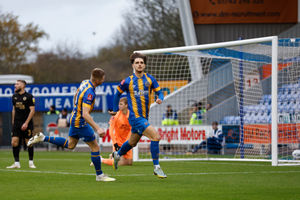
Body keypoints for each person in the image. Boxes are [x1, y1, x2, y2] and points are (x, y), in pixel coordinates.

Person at [28, 68, 115, 182]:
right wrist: (98, 128)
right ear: (98, 79)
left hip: (74, 118)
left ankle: (43, 137)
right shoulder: (90, 93)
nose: (104, 80)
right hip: (80, 122)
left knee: (70, 145)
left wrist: (76, 106)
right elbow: (85, 114)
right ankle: (99, 175)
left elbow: (75, 96)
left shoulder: (85, 82)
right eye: (103, 78)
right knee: (95, 147)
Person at [109, 52, 167, 178]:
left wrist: (160, 98)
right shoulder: (127, 81)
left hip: (144, 117)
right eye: (137, 63)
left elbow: (160, 92)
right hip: (135, 117)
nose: (139, 65)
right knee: (155, 137)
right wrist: (115, 109)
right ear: (133, 65)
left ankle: (117, 155)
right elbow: (117, 94)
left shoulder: (150, 79)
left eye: (141, 63)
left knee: (132, 142)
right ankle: (157, 167)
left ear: (144, 65)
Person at [91, 97, 133, 167]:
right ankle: (100, 160)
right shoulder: (116, 116)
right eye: (119, 104)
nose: (119, 106)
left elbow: (131, 130)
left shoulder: (131, 115)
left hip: (126, 142)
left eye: (121, 104)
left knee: (129, 163)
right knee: (121, 163)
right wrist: (115, 143)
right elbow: (111, 130)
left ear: (126, 105)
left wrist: (127, 143)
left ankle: (112, 155)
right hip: (118, 142)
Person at [7, 80, 36, 169]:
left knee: (29, 143)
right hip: (17, 123)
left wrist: (26, 123)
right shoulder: (14, 96)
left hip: (27, 123)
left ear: (23, 86)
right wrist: (13, 122)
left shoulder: (29, 96)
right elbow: (14, 110)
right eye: (15, 84)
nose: (15, 85)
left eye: (17, 84)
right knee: (14, 142)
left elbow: (32, 110)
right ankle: (16, 163)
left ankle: (31, 162)